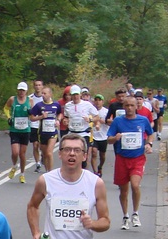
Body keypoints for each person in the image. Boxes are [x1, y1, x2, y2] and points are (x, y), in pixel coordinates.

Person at [106, 95, 154, 230]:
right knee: (123, 190)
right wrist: (115, 138)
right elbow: (109, 139)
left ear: (136, 107)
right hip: (122, 158)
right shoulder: (118, 121)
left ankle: (135, 213)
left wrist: (149, 144)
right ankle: (125, 216)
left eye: (132, 105)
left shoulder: (143, 120)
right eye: (127, 105)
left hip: (138, 158)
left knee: (135, 185)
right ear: (123, 107)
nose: (129, 108)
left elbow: (151, 133)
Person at [29, 85, 62, 173]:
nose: (42, 95)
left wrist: (58, 120)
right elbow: (31, 118)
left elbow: (60, 113)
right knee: (45, 154)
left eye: (45, 93)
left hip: (53, 132)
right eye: (42, 93)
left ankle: (50, 173)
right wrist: (41, 117)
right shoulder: (39, 105)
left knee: (49, 153)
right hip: (42, 133)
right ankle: (47, 170)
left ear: (50, 94)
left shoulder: (56, 104)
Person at [5, 81, 33, 182]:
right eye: (20, 90)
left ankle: (22, 174)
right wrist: (9, 117)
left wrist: (31, 113)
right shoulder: (13, 99)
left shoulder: (30, 100)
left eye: (23, 90)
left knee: (22, 154)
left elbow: (32, 114)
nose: (21, 92)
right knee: (15, 152)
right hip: (14, 129)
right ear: (17, 90)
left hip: (25, 130)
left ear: (26, 91)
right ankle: (14, 166)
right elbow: (6, 108)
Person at [63, 84, 99, 151]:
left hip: (84, 134)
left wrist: (90, 119)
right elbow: (66, 117)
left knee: (83, 156)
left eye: (77, 94)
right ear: (71, 95)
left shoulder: (87, 104)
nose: (75, 96)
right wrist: (65, 121)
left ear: (80, 94)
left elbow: (97, 116)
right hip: (72, 133)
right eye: (73, 95)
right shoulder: (67, 105)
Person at [89, 93, 109, 177]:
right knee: (94, 153)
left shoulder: (106, 111)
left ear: (102, 102)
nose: (97, 102)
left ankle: (100, 166)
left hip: (103, 136)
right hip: (93, 136)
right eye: (96, 100)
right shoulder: (91, 110)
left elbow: (109, 122)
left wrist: (101, 121)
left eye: (99, 100)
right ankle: (95, 172)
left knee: (102, 155)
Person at [28, 79, 46, 172]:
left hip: (43, 125)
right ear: (34, 86)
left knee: (42, 146)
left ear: (42, 86)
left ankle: (43, 155)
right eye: (36, 85)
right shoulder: (30, 98)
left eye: (39, 85)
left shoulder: (45, 97)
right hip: (33, 124)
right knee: (35, 145)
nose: (38, 87)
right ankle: (37, 163)